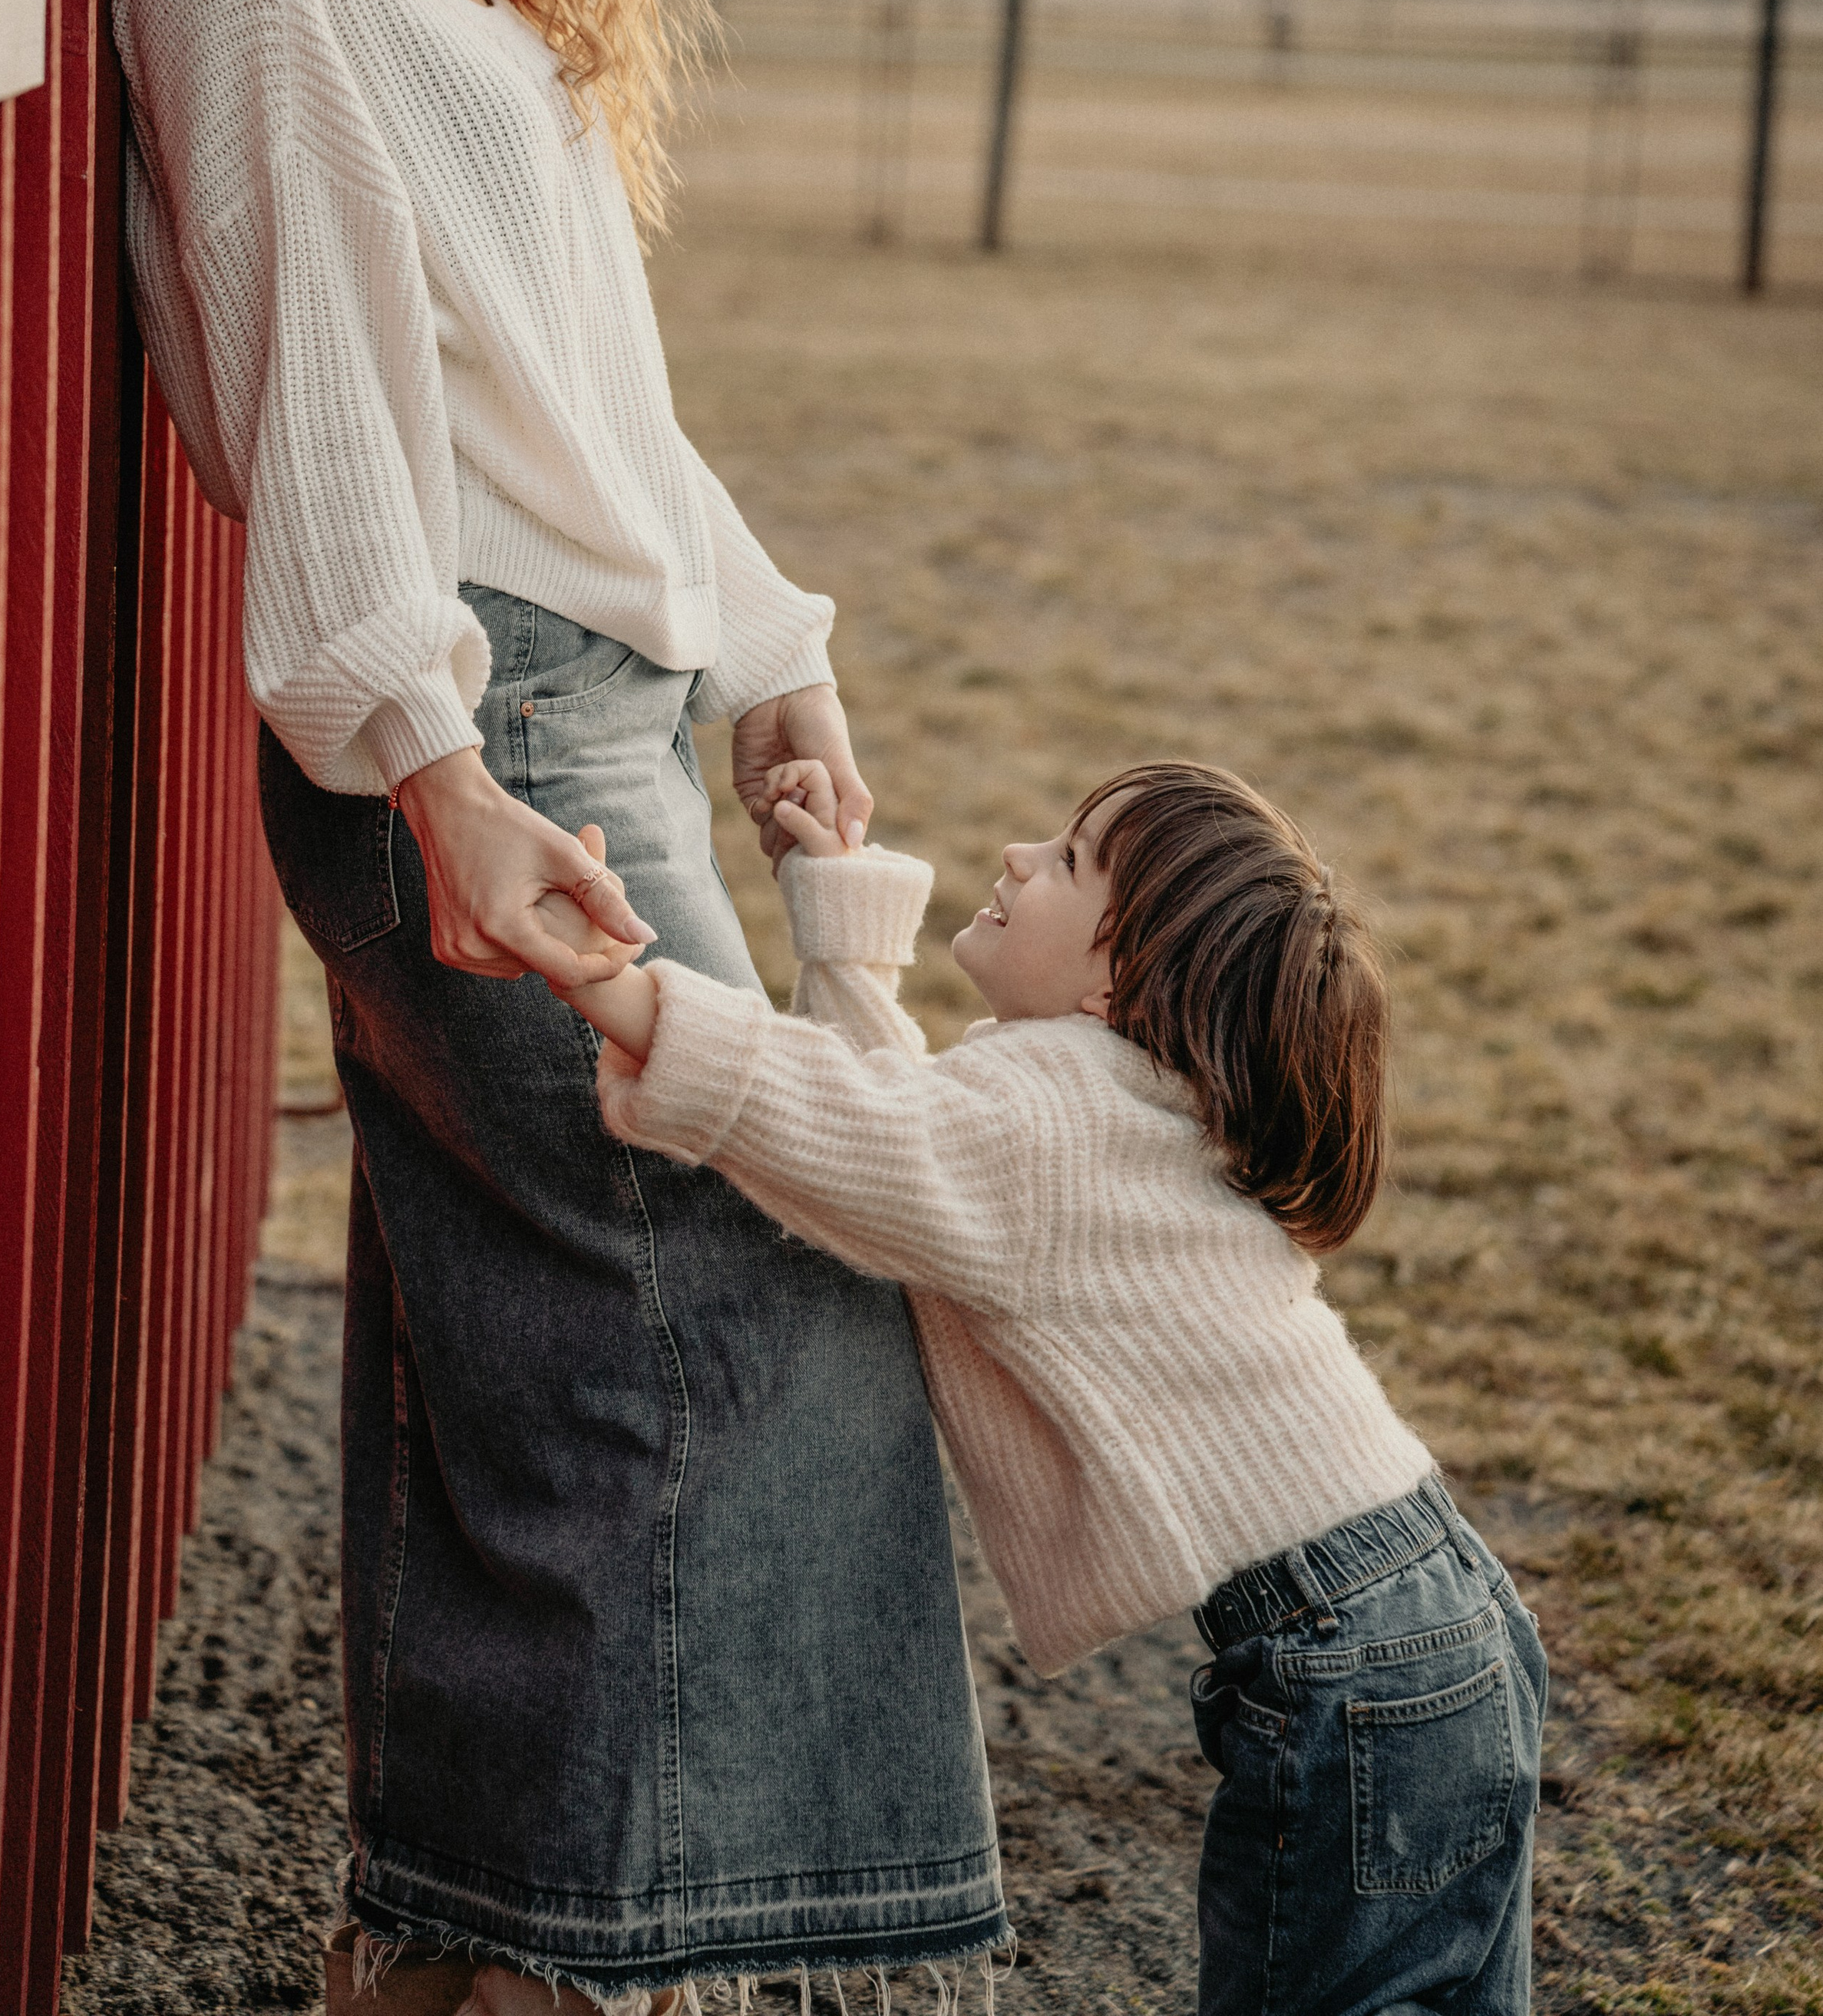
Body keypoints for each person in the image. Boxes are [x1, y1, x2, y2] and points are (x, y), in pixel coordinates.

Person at [113, 0, 1005, 2014]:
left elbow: (563, 371)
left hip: (564, 706)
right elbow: (329, 391)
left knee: (529, 1361)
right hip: (482, 731)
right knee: (728, 1320)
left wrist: (762, 654)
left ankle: (456, 1965)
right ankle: (549, 1967)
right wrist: (427, 766)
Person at [566, 758, 1547, 2016]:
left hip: (1353, 1660)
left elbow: (872, 1136)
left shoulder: (1052, 1123)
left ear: (1114, 982)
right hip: (1439, 1611)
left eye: (1070, 861)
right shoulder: (1111, 1106)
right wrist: (839, 921)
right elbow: (913, 1154)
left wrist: (625, 996)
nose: (1023, 857)